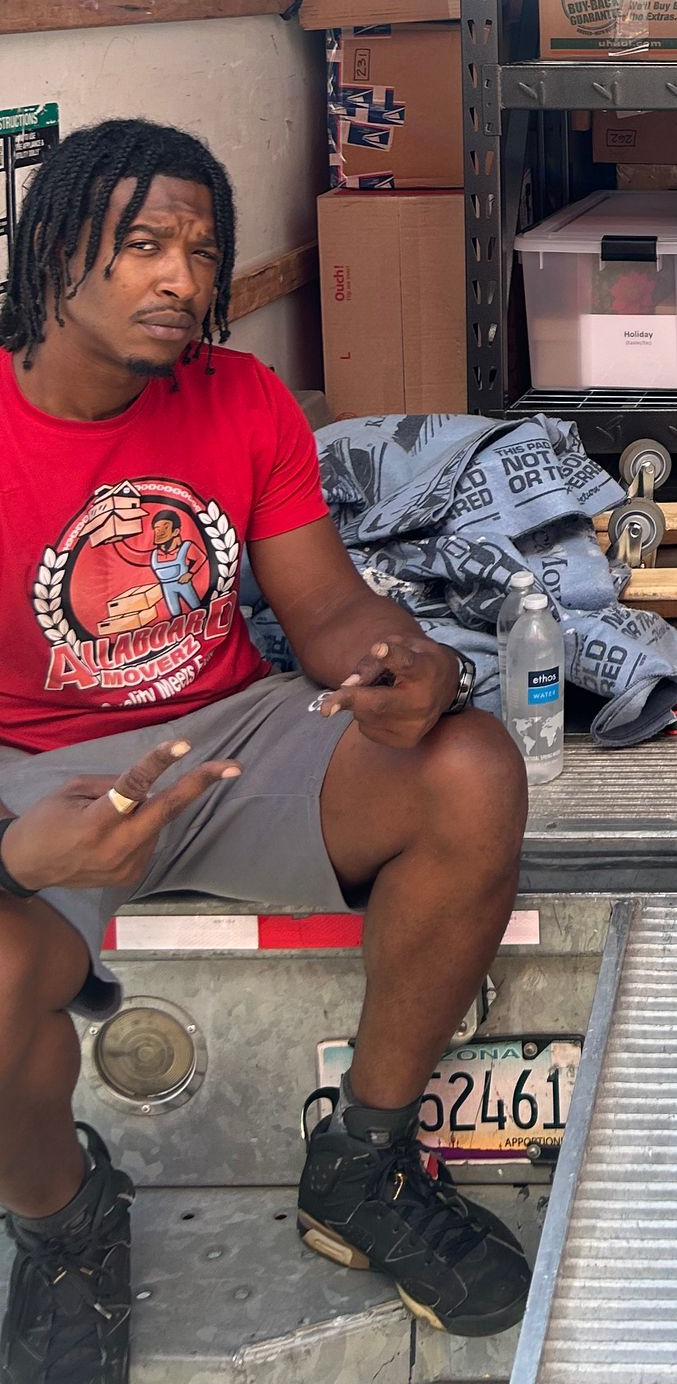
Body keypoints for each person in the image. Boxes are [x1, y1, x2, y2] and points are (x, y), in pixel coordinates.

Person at [0, 119, 533, 1382]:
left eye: (199, 249)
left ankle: (362, 1162)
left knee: (471, 767)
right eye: (141, 244)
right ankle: (66, 1219)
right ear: (53, 244)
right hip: (33, 765)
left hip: (227, 742)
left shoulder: (235, 397)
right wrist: (21, 846)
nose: (180, 280)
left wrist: (406, 666)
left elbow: (329, 609)